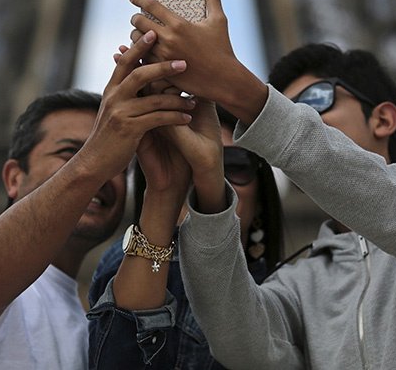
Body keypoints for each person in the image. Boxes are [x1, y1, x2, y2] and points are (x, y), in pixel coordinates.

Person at [126, 0, 396, 369]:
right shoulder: (301, 281)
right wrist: (209, 188)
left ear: (383, 119)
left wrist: (240, 90)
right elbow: (240, 344)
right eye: (289, 109)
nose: (299, 117)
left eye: (315, 100)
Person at [0, 33, 197, 369]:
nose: (104, 173)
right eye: (69, 152)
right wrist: (97, 155)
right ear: (14, 177)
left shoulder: (89, 324)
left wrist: (164, 192)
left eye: (119, 164)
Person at [87, 106, 284, 369]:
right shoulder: (124, 264)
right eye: (188, 162)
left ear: (261, 197)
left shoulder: (291, 290)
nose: (210, 178)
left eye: (234, 164)